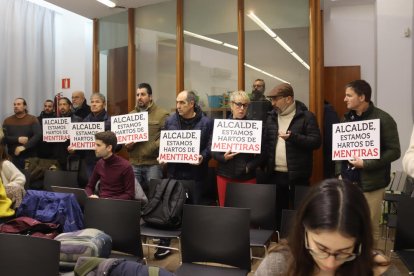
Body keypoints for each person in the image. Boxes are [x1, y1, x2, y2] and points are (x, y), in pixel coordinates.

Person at [255, 178, 396, 276]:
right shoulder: (277, 266)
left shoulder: (379, 269)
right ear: (304, 231)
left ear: (360, 242)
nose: (329, 263)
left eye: (344, 252)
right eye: (321, 248)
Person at [336, 80, 400, 247]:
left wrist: (367, 163)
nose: (345, 99)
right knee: (348, 224)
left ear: (362, 97)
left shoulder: (384, 119)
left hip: (372, 184)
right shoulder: (345, 119)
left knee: (369, 227)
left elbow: (394, 151)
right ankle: (351, 263)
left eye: (349, 95)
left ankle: (369, 265)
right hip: (348, 181)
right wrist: (339, 173)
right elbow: (339, 150)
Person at [156, 90, 213, 259]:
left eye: (182, 103)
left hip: (196, 174)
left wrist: (203, 156)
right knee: (169, 209)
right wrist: (163, 156)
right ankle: (164, 244)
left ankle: (196, 247)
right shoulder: (170, 120)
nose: (178, 106)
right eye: (177, 102)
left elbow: (211, 146)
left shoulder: (206, 122)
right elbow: (166, 143)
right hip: (174, 172)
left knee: (194, 210)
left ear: (191, 104)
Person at [263, 83, 321, 229]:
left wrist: (293, 137)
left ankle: (298, 243)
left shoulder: (306, 116)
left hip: (297, 175)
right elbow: (266, 142)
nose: (273, 103)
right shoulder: (271, 117)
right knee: (277, 213)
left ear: (288, 99)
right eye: (271, 100)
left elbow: (316, 142)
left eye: (276, 99)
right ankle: (279, 244)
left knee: (299, 213)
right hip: (274, 174)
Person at [212, 90, 263, 206]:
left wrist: (249, 167)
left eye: (245, 105)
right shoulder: (221, 126)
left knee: (249, 212)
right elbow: (212, 150)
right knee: (226, 210)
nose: (242, 108)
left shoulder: (255, 127)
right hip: (224, 175)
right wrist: (223, 157)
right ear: (231, 105)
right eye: (238, 104)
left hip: (247, 176)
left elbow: (263, 153)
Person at [126, 83, 169, 195]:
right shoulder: (131, 115)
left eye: (143, 94)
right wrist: (127, 145)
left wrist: (154, 146)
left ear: (150, 97)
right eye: (137, 94)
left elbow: (167, 137)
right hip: (134, 163)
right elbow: (126, 137)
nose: (139, 97)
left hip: (153, 163)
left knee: (155, 196)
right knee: (133, 196)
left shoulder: (162, 114)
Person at [85, 131, 134, 200]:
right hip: (100, 203)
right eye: (95, 145)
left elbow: (130, 194)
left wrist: (110, 200)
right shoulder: (100, 163)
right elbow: (89, 186)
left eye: (98, 145)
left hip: (117, 205)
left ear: (109, 148)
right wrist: (90, 195)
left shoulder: (125, 166)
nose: (95, 148)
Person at [2, 98, 42, 169]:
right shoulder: (7, 121)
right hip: (12, 157)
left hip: (30, 158)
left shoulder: (32, 119)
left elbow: (38, 135)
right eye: (14, 104)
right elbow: (3, 138)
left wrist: (24, 147)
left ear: (25, 106)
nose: (16, 106)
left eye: (18, 104)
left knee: (29, 179)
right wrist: (17, 139)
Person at [81, 93, 111, 178]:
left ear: (104, 104)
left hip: (105, 161)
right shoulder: (85, 121)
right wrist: (74, 147)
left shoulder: (110, 121)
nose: (94, 104)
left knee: (105, 187)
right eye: (92, 102)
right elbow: (81, 141)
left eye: (97, 102)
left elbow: (117, 145)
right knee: (91, 186)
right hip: (90, 161)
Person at [0, 143, 26, 209]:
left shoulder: (5, 164)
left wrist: (5, 188)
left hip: (5, 195)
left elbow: (21, 179)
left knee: (17, 188)